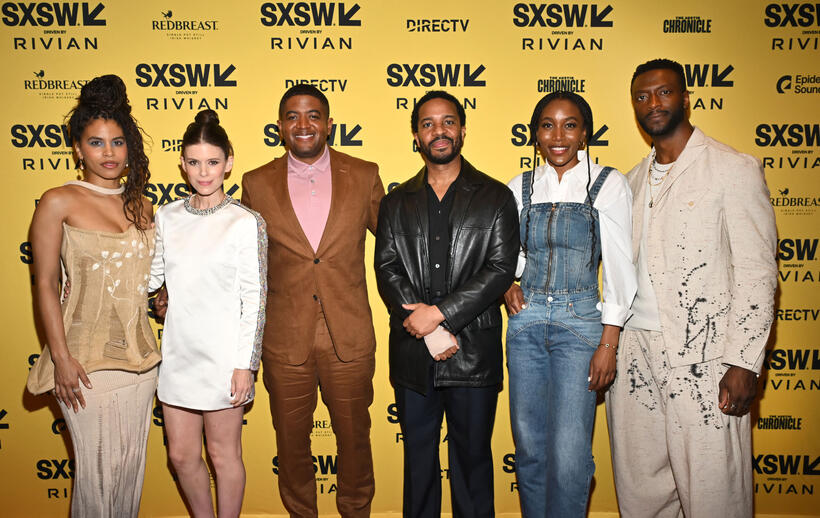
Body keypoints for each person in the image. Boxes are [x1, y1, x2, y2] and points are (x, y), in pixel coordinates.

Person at [606, 58, 777, 518]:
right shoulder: (629, 181)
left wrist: (744, 360)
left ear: (686, 98)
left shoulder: (732, 168)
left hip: (705, 360)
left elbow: (757, 273)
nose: (652, 103)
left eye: (663, 92)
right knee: (641, 494)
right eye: (642, 97)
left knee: (713, 493)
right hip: (633, 357)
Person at [240, 84, 384, 517]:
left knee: (356, 442)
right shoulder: (256, 182)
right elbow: (243, 260)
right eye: (293, 116)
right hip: (286, 342)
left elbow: (399, 247)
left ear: (329, 123)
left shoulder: (363, 174)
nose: (304, 124)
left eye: (314, 115)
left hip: (350, 336)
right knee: (291, 445)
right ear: (281, 126)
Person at [375, 90, 519, 517]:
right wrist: (430, 330)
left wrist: (439, 316)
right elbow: (387, 270)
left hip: (473, 355)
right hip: (413, 353)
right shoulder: (395, 202)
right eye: (428, 123)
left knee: (472, 464)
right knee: (419, 467)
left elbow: (499, 269)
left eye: (448, 121)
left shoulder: (496, 197)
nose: (439, 131)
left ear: (462, 129)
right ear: (416, 135)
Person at [26, 74, 161, 517]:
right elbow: (45, 282)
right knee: (96, 478)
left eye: (118, 142)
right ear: (78, 148)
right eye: (97, 143)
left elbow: (145, 280)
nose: (109, 153)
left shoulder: (143, 205)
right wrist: (61, 357)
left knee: (128, 473)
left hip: (142, 360)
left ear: (129, 147)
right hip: (84, 362)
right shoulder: (58, 201)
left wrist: (163, 297)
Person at [504, 91, 636, 517]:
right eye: (547, 125)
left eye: (570, 125)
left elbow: (619, 266)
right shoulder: (519, 186)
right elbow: (509, 254)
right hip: (525, 326)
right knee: (529, 450)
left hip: (581, 325)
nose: (558, 135)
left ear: (585, 134)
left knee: (570, 453)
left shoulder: (606, 183)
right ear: (535, 134)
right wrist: (508, 279)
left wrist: (609, 341)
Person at [148, 109, 266, 518]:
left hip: (223, 359)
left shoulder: (244, 222)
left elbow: (255, 297)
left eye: (213, 162)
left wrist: (244, 364)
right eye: (194, 162)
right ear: (182, 163)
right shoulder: (166, 216)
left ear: (229, 163)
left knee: (223, 455)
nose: (204, 172)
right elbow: (150, 280)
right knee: (180, 456)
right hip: (179, 355)